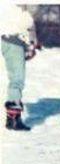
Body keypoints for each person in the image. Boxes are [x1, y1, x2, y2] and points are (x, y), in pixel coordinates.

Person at [1, 3, 40, 131]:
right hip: (13, 39)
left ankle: (12, 119)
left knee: (16, 78)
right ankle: (13, 120)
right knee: (17, 79)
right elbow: (27, 21)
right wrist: (31, 43)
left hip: (10, 38)